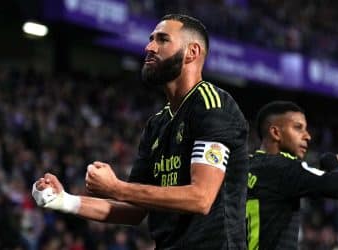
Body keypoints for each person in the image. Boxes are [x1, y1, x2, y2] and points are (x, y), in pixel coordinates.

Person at [32, 14, 249, 250]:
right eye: (151, 39)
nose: (149, 47)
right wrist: (63, 201)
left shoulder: (212, 105)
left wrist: (117, 188)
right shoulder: (157, 124)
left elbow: (201, 198)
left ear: (192, 52)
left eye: (162, 39)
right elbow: (134, 211)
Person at [246, 101, 338, 250]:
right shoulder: (285, 168)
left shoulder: (244, 164)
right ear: (275, 133)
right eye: (298, 128)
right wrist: (333, 164)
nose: (308, 136)